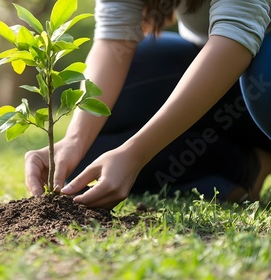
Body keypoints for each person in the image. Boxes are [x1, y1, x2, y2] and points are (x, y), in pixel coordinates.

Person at [24, 0, 271, 209]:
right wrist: (73, 142)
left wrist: (135, 154)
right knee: (86, 157)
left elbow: (235, 39)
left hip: (257, 76)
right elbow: (114, 37)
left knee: (266, 71)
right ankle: (245, 165)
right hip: (216, 70)